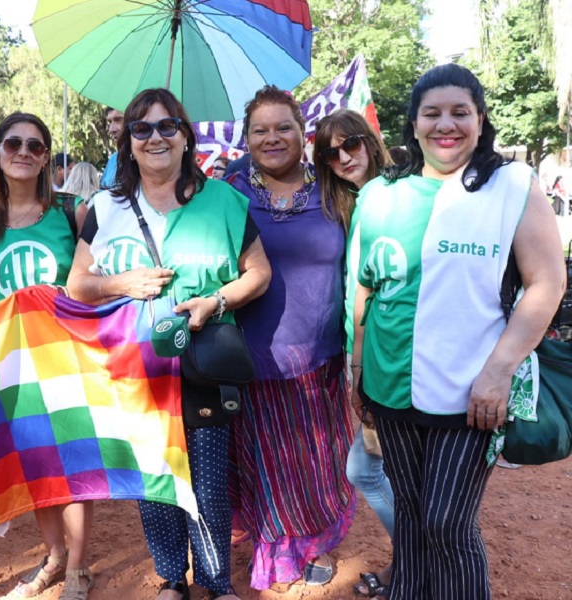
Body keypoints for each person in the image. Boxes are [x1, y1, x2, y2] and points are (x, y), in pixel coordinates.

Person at [350, 63, 566, 600]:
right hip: (389, 383)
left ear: (480, 119)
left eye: (459, 112)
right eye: (433, 113)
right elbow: (362, 289)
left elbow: (546, 282)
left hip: (471, 392)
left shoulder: (511, 185)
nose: (446, 125)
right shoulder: (379, 193)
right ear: (414, 123)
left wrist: (498, 373)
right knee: (414, 515)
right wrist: (357, 368)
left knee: (447, 522)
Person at [67, 87, 271, 600]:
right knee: (154, 480)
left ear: (185, 136)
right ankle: (170, 580)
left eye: (167, 126)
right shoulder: (105, 208)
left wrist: (215, 303)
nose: (155, 137)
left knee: (206, 480)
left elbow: (259, 273)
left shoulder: (224, 201)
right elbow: (78, 285)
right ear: (127, 143)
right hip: (134, 368)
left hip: (204, 364)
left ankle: (216, 580)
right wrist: (122, 283)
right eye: (142, 129)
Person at [0, 112, 91, 600]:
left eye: (36, 146)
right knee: (34, 467)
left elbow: (89, 287)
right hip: (5, 366)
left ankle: (77, 567)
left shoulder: (70, 214)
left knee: (72, 468)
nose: (24, 152)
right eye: (13, 143)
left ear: (46, 157)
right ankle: (54, 554)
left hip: (64, 361)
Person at [226, 86, 356, 592]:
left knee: (317, 461)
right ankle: (275, 547)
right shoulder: (229, 190)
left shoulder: (335, 188)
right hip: (251, 355)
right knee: (266, 461)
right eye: (260, 130)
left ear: (303, 134)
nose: (272, 137)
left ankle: (316, 541)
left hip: (320, 356)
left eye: (283, 127)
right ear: (246, 139)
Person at [313, 108, 394, 598]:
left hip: (386, 360)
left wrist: (360, 369)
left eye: (351, 144)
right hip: (364, 355)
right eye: (331, 152)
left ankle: (416, 564)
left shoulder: (390, 194)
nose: (343, 157)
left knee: (366, 468)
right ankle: (413, 564)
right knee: (380, 468)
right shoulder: (354, 201)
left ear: (369, 140)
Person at [100, 107, 124, 188]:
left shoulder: (150, 158)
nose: (111, 129)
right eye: (110, 122)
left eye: (118, 120)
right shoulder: (114, 159)